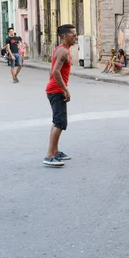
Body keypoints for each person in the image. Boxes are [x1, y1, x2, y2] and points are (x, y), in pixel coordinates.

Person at [44, 24, 78, 167]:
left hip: (54, 89)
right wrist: (65, 89)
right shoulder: (63, 52)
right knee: (59, 122)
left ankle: (56, 151)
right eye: (73, 34)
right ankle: (49, 155)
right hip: (56, 91)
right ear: (65, 36)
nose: (75, 37)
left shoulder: (62, 50)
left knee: (58, 121)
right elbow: (55, 72)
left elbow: (52, 71)